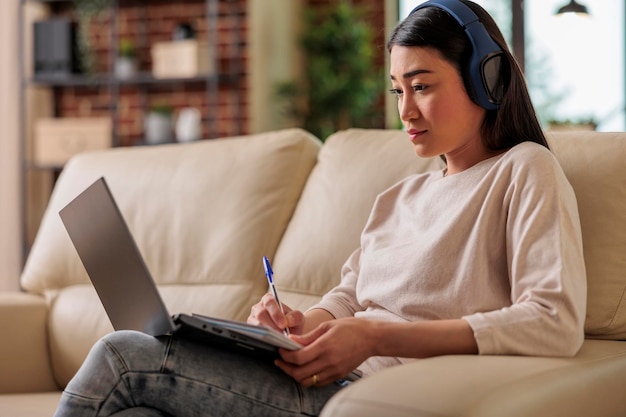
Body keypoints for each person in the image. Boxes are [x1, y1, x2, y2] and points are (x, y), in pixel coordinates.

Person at [53, 1, 586, 416]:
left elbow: (553, 322)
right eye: (398, 89)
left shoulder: (523, 171)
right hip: (319, 379)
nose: (405, 110)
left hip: (369, 394)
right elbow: (350, 297)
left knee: (121, 357)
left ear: (485, 79)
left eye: (421, 86)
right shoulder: (400, 196)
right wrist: (299, 323)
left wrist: (376, 336)